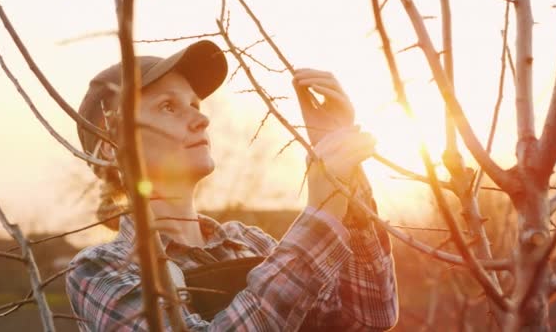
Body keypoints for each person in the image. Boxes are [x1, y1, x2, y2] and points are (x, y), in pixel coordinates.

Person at [66, 39, 398, 331]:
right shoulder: (101, 270)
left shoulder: (249, 243)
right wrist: (318, 217)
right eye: (168, 106)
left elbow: (367, 316)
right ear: (111, 146)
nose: (202, 119)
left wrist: (341, 177)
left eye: (195, 105)